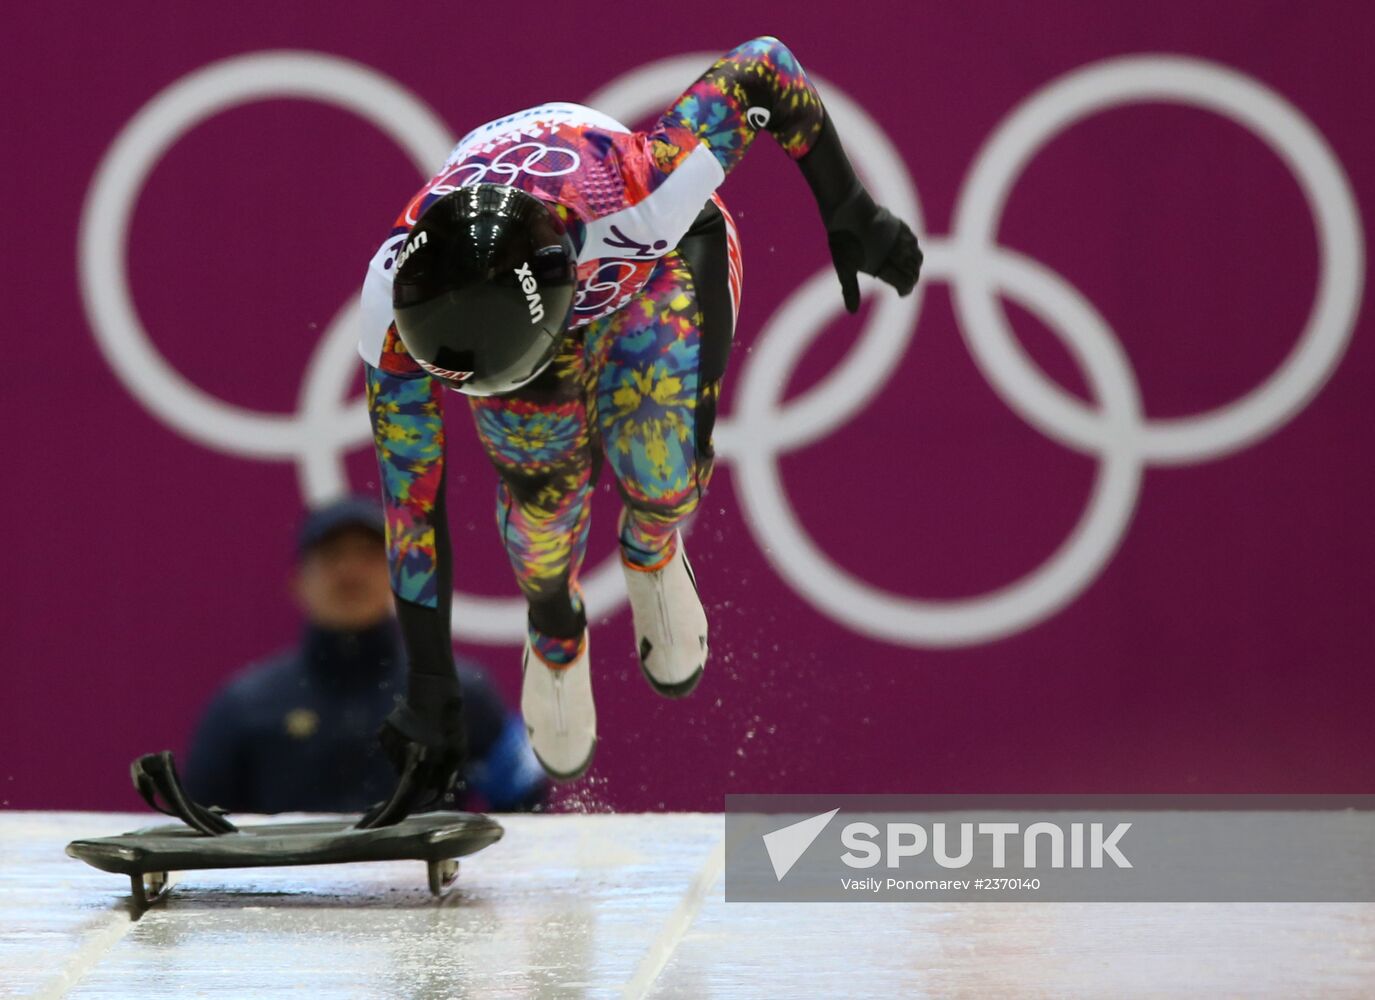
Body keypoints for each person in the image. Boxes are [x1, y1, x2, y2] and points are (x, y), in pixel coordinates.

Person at [357, 36, 921, 815]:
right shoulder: (389, 311)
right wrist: (429, 683)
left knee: (663, 473)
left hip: (653, 275)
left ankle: (652, 548)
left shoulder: (638, 187)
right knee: (545, 514)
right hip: (544, 287)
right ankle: (554, 626)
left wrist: (848, 205)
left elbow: (765, 65)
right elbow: (410, 508)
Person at [184, 496, 548, 814]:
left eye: (368, 555)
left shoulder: (460, 693)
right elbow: (198, 828)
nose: (350, 572)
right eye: (332, 556)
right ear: (297, 582)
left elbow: (526, 805)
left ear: (398, 575)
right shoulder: (244, 705)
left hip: (427, 876)